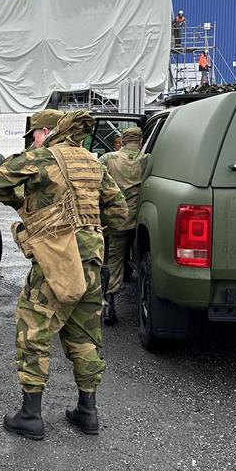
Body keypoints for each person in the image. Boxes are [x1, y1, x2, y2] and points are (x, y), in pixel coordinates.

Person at [0, 110, 128, 440]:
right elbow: (120, 213)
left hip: (57, 261)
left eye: (34, 134)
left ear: (46, 132)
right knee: (85, 335)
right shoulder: (94, 163)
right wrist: (88, 228)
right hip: (91, 261)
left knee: (33, 330)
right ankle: (87, 411)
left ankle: (30, 415)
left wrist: (22, 204)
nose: (33, 140)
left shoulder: (41, 158)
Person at [99, 127, 146, 325]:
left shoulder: (108, 159)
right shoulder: (148, 159)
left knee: (113, 260)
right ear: (140, 142)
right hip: (141, 220)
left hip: (116, 220)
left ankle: (108, 305)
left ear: (122, 142)